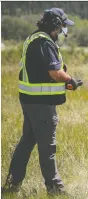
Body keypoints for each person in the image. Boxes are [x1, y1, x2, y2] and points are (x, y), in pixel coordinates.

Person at [1, 8, 82, 195]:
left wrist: (66, 82)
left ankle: (12, 185)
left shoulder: (33, 38)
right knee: (48, 146)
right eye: (62, 26)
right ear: (55, 25)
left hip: (29, 101)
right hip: (41, 105)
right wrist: (70, 80)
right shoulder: (45, 43)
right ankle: (55, 190)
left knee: (27, 141)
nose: (63, 30)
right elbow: (54, 73)